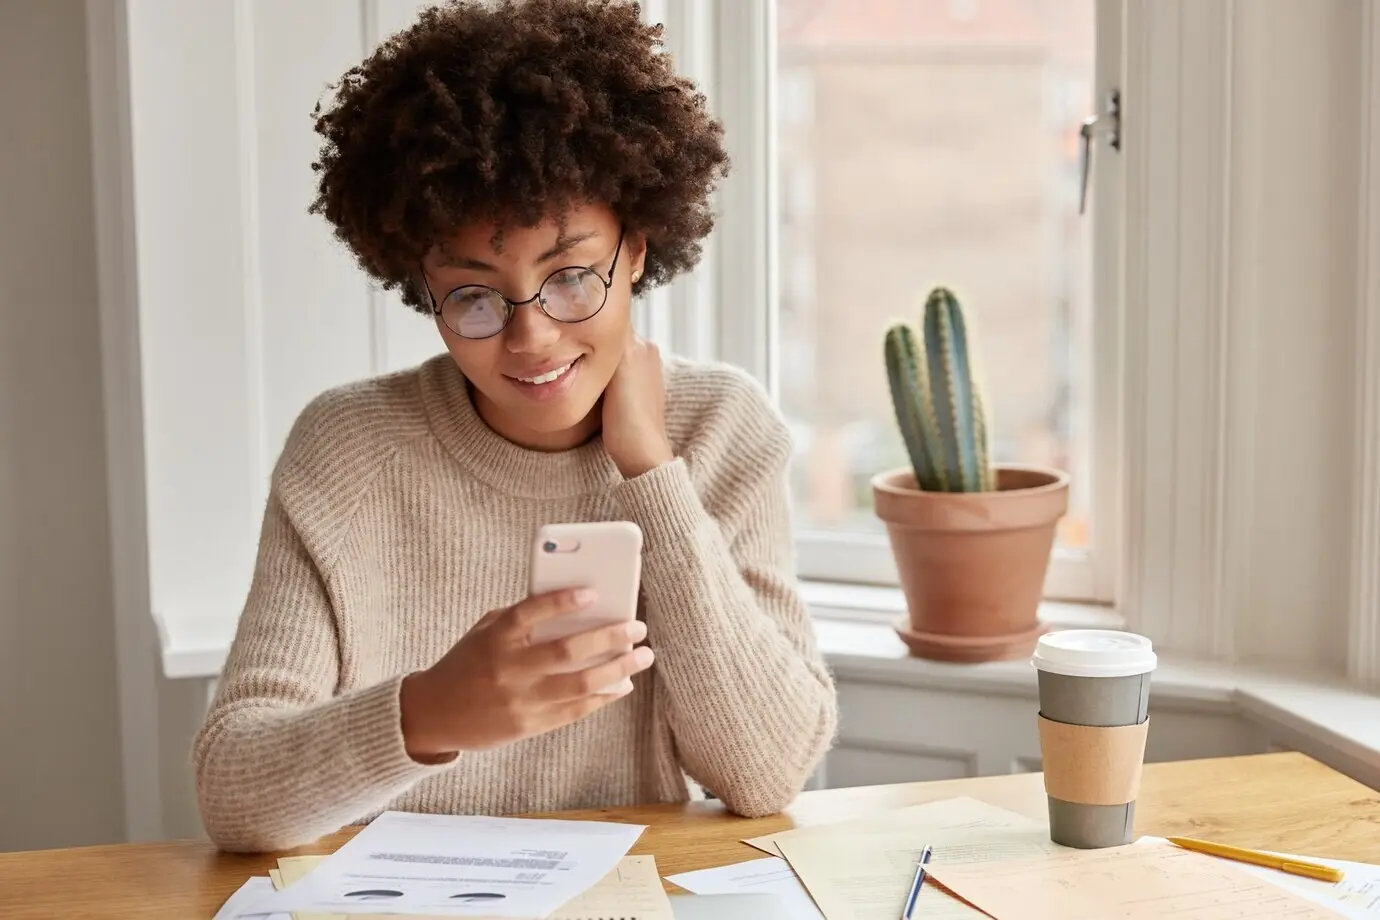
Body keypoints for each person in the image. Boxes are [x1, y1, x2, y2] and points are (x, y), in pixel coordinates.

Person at [192, 0, 838, 853]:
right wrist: (431, 712)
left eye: (570, 276)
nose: (530, 338)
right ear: (421, 287)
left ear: (636, 250)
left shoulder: (720, 428)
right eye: (473, 295)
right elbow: (234, 794)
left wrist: (652, 475)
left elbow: (768, 772)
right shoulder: (349, 448)